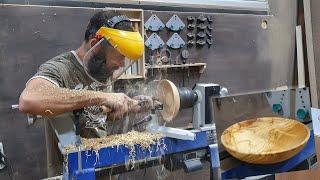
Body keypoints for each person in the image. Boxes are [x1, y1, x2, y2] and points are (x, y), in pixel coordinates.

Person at [18, 10, 150, 177]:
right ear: (96, 44)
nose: (121, 63)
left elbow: (93, 117)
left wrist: (130, 105)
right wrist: (102, 97)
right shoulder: (60, 68)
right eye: (119, 56)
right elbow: (29, 100)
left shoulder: (101, 70)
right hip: (73, 172)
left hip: (101, 169)